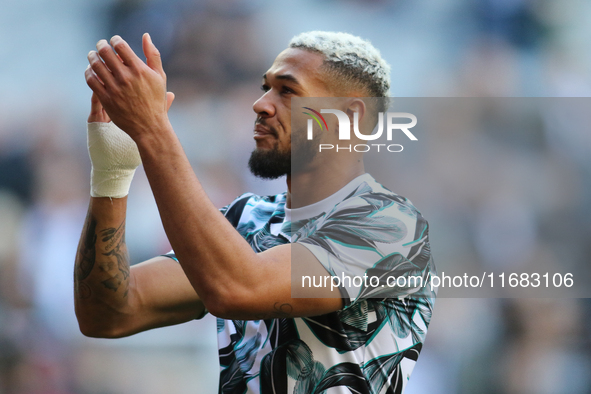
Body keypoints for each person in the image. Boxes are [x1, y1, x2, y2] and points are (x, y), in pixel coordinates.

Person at [76, 30, 435, 393]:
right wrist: (112, 173)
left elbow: (238, 290)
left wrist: (153, 129)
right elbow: (107, 314)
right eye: (266, 87)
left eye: (288, 90)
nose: (261, 104)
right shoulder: (246, 218)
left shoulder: (392, 226)